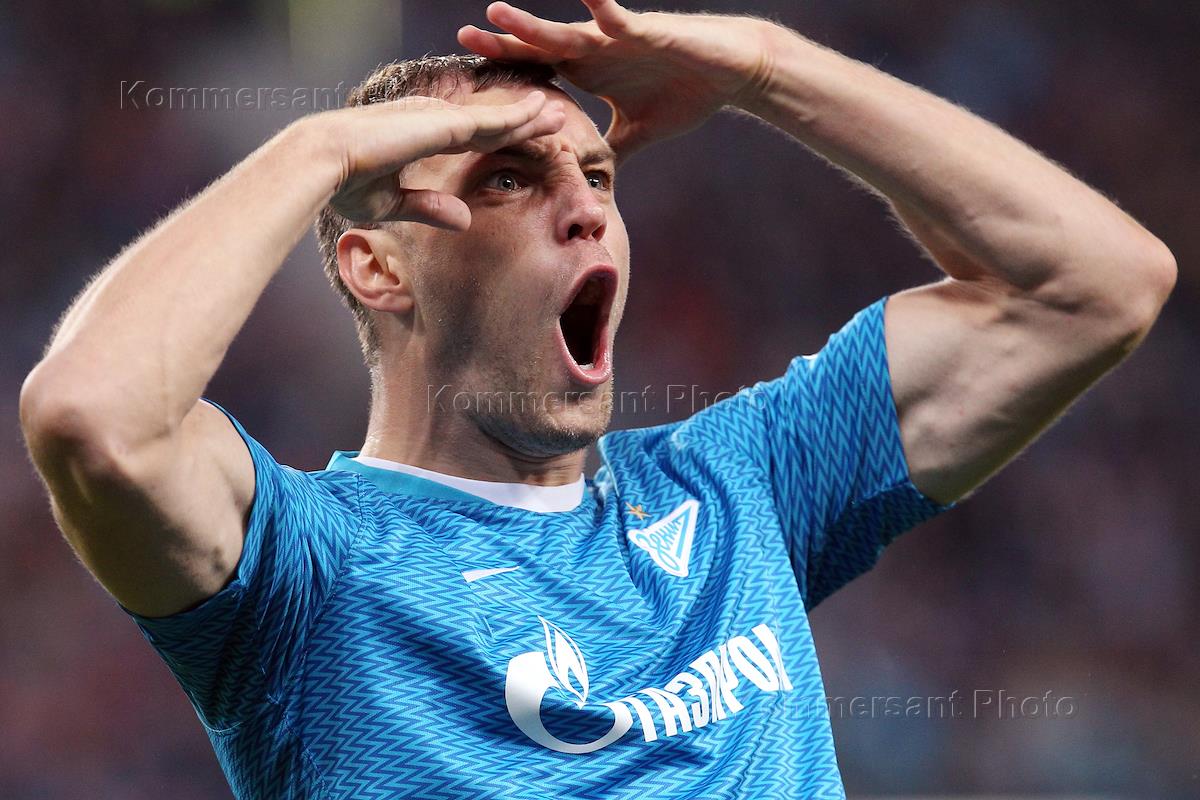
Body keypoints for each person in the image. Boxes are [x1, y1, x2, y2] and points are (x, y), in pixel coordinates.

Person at [18, 0, 1174, 797]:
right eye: (506, 176)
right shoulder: (308, 573)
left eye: (600, 175)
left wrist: (766, 69)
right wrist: (319, 149)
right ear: (376, 266)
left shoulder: (745, 480)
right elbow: (90, 417)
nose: (584, 207)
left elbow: (1097, 285)